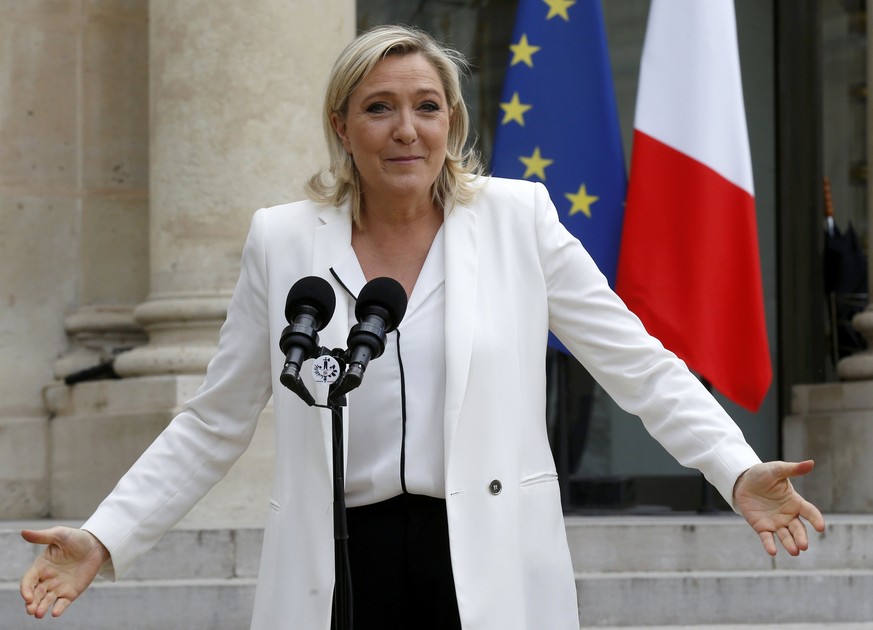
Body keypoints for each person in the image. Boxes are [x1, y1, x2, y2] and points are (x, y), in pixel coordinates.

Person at [20, 24, 825, 630]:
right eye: (379, 108)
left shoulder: (520, 219)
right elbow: (213, 421)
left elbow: (637, 366)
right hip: (337, 567)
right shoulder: (283, 238)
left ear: (453, 124)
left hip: (485, 557)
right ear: (342, 126)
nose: (406, 129)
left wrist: (733, 468)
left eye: (426, 107)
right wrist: (105, 536)